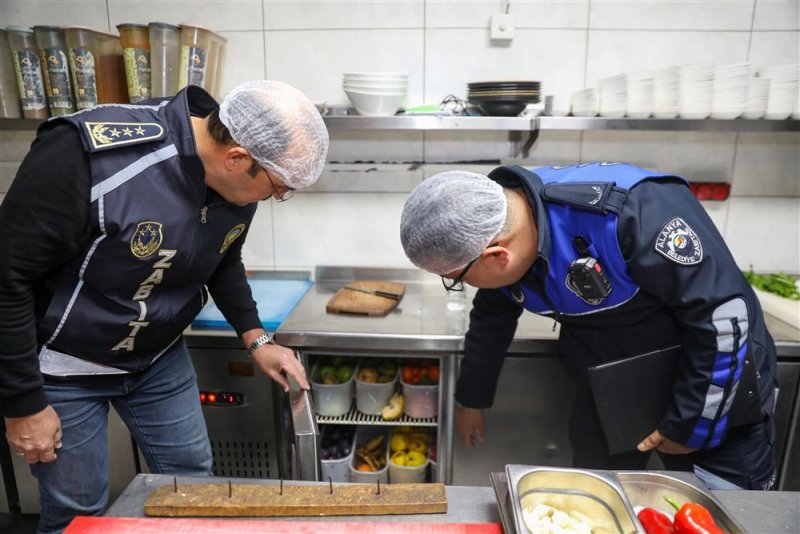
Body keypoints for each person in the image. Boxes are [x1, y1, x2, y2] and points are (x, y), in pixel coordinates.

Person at [0, 80, 328, 532]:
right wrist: (22, 405)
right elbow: (6, 280)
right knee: (77, 514)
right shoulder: (87, 158)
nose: (275, 199)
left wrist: (257, 339)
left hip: (157, 358)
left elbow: (223, 254)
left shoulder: (233, 175)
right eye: (277, 188)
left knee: (195, 489)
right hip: (65, 366)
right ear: (236, 159)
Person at [400, 162, 778, 491]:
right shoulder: (505, 231)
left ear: (498, 255)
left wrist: (691, 425)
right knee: (601, 504)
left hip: (714, 383)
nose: (463, 286)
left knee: (723, 511)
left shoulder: (632, 211)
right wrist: (472, 398)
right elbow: (492, 315)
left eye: (458, 277)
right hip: (612, 392)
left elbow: (723, 318)